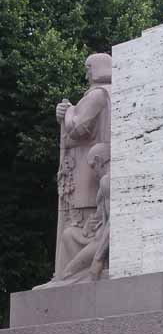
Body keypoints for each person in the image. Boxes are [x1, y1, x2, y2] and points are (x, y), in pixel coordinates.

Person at [54, 53, 112, 281]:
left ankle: (71, 275)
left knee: (84, 223)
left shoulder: (98, 94)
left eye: (89, 68)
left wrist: (66, 112)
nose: (87, 73)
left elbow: (78, 128)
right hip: (98, 165)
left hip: (89, 171)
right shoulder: (115, 94)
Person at [60, 143, 111, 281]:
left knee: (68, 274)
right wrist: (91, 223)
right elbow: (102, 216)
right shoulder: (105, 181)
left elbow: (113, 223)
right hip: (96, 236)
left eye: (93, 166)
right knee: (68, 234)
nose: (94, 173)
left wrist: (98, 259)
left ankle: (83, 276)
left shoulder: (107, 181)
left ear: (99, 160)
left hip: (102, 242)